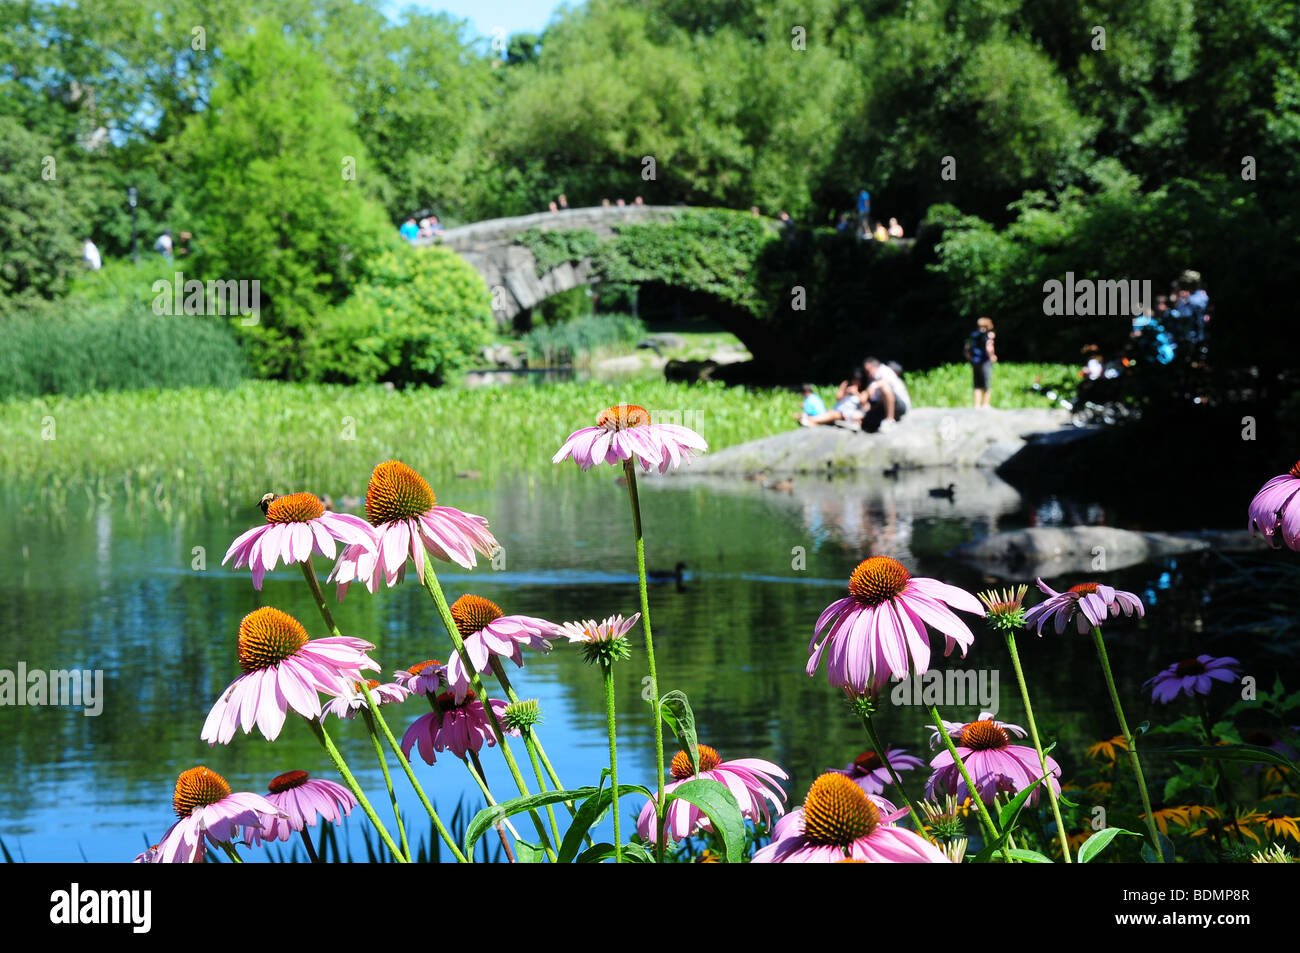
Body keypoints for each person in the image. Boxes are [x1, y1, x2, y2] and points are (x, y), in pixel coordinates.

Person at [862, 357, 911, 431]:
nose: (868, 374)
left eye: (868, 371)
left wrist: (874, 385)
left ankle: (890, 420)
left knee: (885, 387)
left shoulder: (885, 370)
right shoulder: (874, 378)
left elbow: (887, 383)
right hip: (884, 407)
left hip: (900, 406)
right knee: (866, 418)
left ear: (875, 366)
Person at [801, 372, 866, 428]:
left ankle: (811, 420)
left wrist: (856, 393)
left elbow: (863, 402)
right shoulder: (846, 384)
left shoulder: (863, 391)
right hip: (839, 409)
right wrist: (845, 392)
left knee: (833, 415)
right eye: (854, 379)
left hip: (848, 414)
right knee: (830, 413)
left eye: (858, 380)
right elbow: (838, 398)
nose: (856, 382)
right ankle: (811, 420)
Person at [963, 316, 997, 408]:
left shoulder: (973, 335)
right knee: (986, 383)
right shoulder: (988, 335)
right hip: (985, 361)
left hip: (975, 361)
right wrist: (992, 356)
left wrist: (970, 358)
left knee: (977, 384)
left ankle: (976, 405)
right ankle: (986, 404)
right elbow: (989, 347)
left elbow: (967, 348)